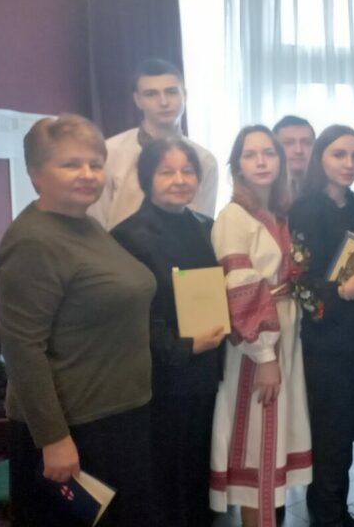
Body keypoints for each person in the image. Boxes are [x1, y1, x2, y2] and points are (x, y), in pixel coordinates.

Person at [0, 114, 156, 526]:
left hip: (117, 417)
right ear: (35, 173)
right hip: (76, 429)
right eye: (71, 164)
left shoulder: (86, 226)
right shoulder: (34, 241)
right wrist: (53, 439)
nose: (87, 174)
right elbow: (23, 348)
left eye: (95, 164)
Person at [110, 137, 226, 527]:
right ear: (147, 178)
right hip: (162, 376)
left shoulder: (207, 228)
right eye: (167, 172)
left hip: (208, 370)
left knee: (201, 471)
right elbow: (132, 316)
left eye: (187, 171)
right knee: (166, 477)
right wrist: (184, 346)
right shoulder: (127, 236)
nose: (179, 180)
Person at [209, 126, 312, 527]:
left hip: (284, 332)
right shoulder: (233, 217)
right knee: (257, 443)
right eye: (250, 155)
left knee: (273, 439)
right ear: (237, 166)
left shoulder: (276, 214)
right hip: (254, 344)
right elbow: (240, 288)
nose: (262, 161)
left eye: (269, 153)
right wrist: (265, 355)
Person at [289, 125, 354, 527]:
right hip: (323, 342)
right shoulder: (304, 208)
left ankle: (337, 511)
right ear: (320, 157)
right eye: (339, 154)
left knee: (347, 429)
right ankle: (326, 516)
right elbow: (298, 281)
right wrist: (341, 292)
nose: (349, 163)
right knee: (330, 436)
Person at [89, 58, 218, 229]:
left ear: (184, 95)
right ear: (137, 100)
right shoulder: (109, 152)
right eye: (151, 94)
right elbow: (96, 223)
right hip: (119, 245)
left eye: (171, 92)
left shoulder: (204, 160)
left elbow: (203, 224)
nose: (164, 102)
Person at [274, 115, 317, 199]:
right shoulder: (264, 191)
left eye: (306, 143)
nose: (298, 150)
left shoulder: (328, 190)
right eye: (288, 143)